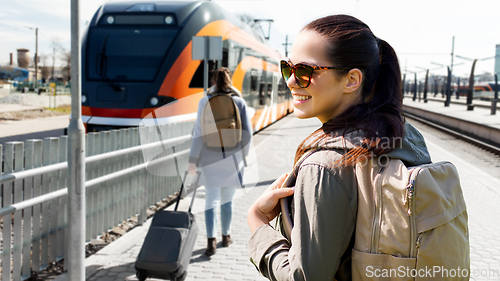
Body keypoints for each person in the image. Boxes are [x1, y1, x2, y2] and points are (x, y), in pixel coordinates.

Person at [247, 15, 431, 280]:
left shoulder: (324, 166)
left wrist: (257, 222)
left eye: (305, 72)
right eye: (288, 69)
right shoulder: (404, 136)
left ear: (351, 80)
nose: (290, 82)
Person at [189, 67, 253, 256]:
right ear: (229, 80)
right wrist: (243, 157)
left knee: (211, 200)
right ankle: (226, 237)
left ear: (213, 82)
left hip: (209, 158)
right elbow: (247, 134)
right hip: (232, 160)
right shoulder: (239, 102)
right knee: (227, 200)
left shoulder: (204, 101)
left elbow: (198, 134)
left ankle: (211, 242)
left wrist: (193, 160)